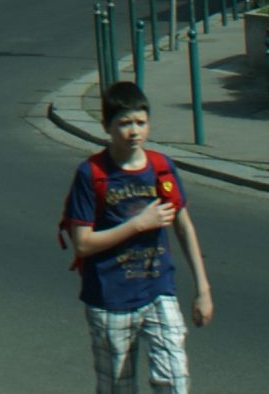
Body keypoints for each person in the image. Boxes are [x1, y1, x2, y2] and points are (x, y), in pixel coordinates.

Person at [60, 81, 213, 393]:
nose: (134, 132)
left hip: (158, 290)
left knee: (175, 381)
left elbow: (183, 226)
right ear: (106, 126)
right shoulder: (91, 174)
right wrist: (138, 224)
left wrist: (203, 290)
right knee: (118, 387)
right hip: (109, 299)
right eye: (124, 124)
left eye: (140, 123)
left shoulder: (160, 167)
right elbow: (83, 243)